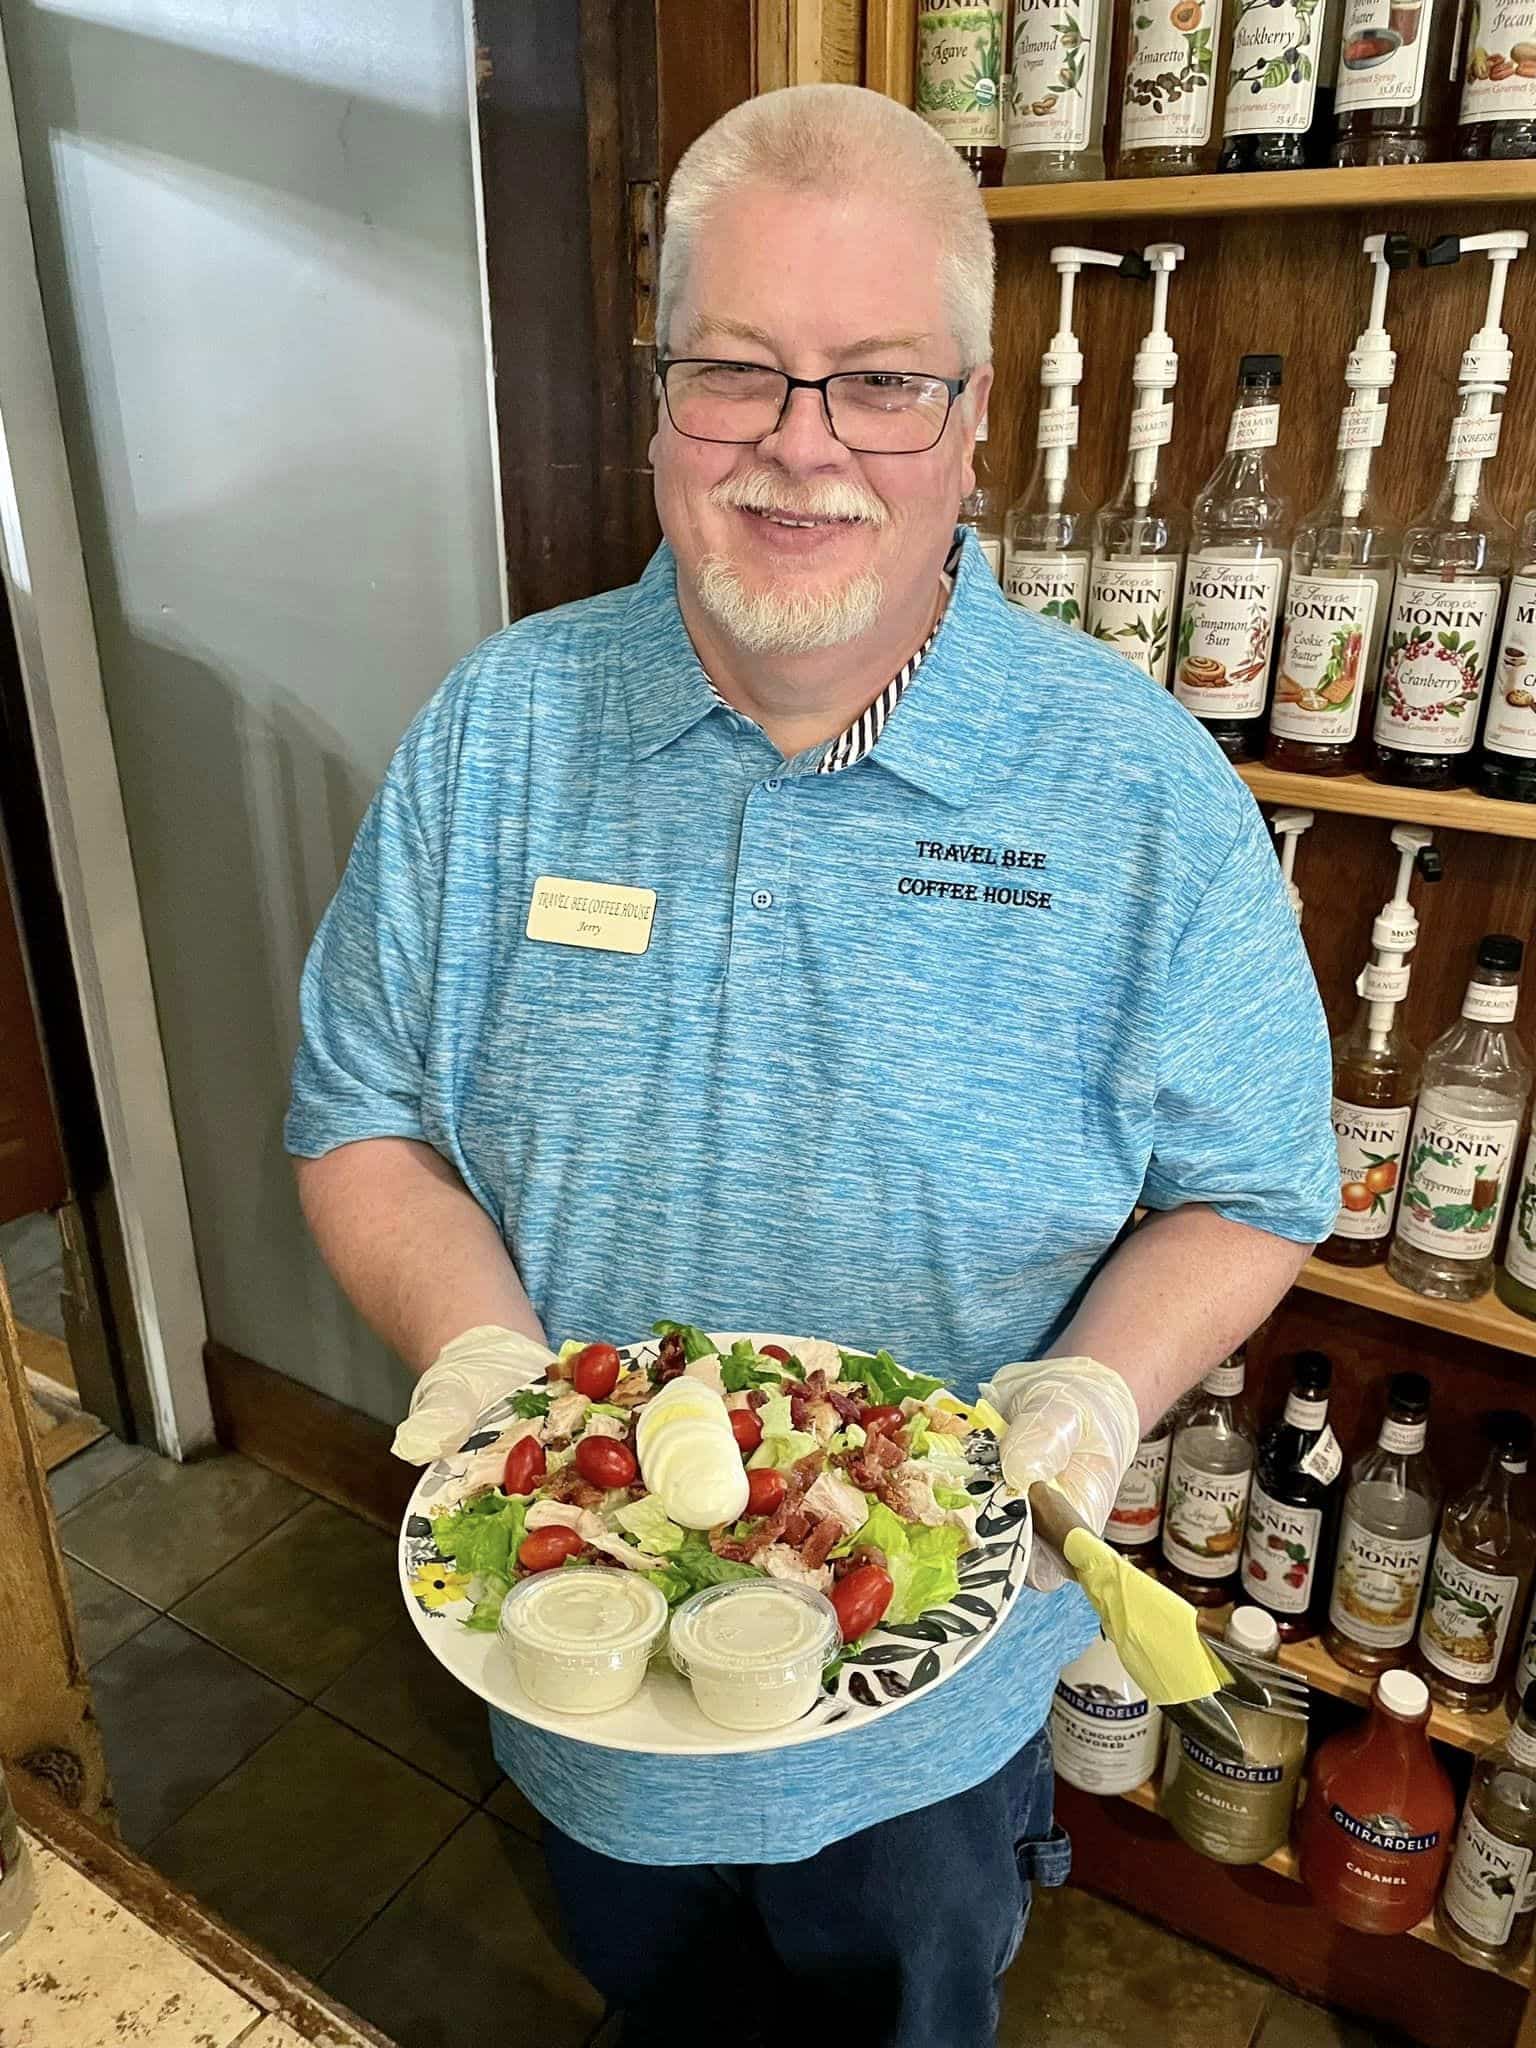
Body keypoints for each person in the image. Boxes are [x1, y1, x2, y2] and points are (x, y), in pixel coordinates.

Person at [286, 82, 1335, 2048]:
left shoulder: (1138, 795)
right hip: (583, 1672)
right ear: (659, 386)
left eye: (878, 383)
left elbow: (1261, 1179)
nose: (800, 448)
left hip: (929, 1716)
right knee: (652, 2003)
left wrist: (1100, 1396)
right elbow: (358, 1115)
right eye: (738, 374)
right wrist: (490, 1367)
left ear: (973, 413)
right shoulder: (493, 737)